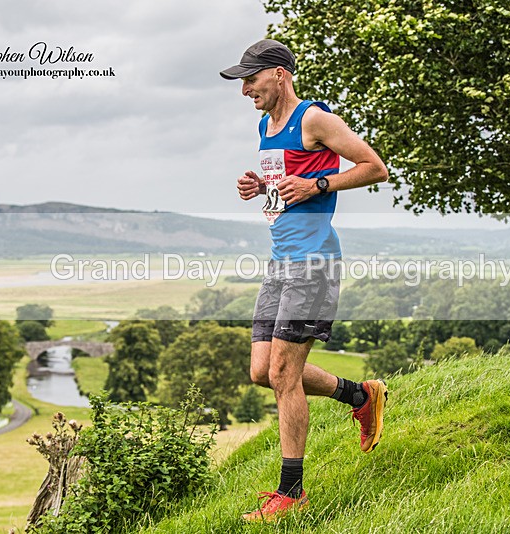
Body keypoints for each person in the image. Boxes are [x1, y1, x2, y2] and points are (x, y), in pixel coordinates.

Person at [220, 39, 390, 523]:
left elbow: (374, 167)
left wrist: (319, 184)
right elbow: (287, 189)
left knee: (283, 376)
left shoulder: (314, 118)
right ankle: (361, 396)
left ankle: (291, 493)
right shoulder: (265, 125)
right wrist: (261, 189)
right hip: (281, 261)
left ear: (279, 74)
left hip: (313, 263)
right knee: (261, 371)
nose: (245, 89)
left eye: (250, 79)